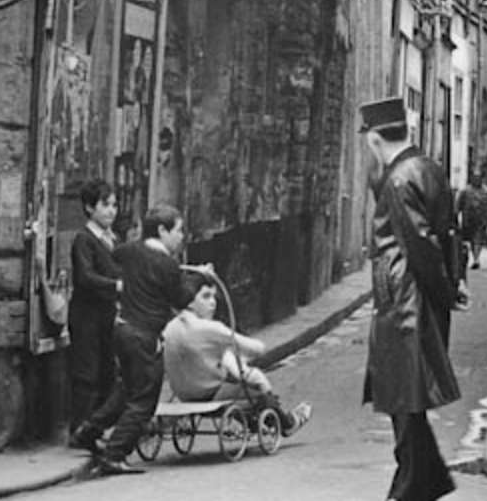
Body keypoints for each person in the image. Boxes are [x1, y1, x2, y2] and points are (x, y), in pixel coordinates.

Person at [359, 98, 460, 501]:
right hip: (416, 301)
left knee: (405, 402)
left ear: (374, 138)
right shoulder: (429, 169)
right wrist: (453, 284)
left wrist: (442, 291)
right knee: (407, 405)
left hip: (405, 305)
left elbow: (420, 245)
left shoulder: (399, 179)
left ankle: (409, 490)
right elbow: (449, 234)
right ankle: (424, 482)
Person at [73, 203, 196, 478]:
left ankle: (88, 431)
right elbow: (181, 298)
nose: (181, 236)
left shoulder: (130, 251)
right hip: (145, 337)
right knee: (143, 401)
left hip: (122, 329)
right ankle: (115, 454)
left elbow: (114, 256)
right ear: (162, 230)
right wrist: (200, 279)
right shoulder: (168, 264)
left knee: (126, 389)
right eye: (178, 230)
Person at [163, 270, 311, 435]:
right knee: (257, 391)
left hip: (183, 394)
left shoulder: (169, 328)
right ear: (190, 302)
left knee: (234, 381)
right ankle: (287, 423)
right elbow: (257, 348)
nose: (213, 302)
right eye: (205, 297)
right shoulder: (211, 328)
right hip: (210, 394)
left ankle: (255, 424)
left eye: (213, 297)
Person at [67, 180, 124, 441]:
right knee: (86, 372)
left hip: (106, 313)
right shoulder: (84, 240)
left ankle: (95, 428)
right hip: (86, 315)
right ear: (90, 208)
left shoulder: (112, 240)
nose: (111, 211)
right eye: (105, 205)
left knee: (106, 370)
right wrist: (117, 285)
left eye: (114, 205)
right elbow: (85, 277)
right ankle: (79, 428)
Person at [456, 177, 487, 271]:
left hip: (481, 221)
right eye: (475, 178)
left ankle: (476, 259)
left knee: (477, 240)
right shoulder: (465, 191)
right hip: (468, 220)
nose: (477, 181)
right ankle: (471, 258)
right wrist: (456, 216)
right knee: (469, 241)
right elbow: (458, 205)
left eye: (479, 178)